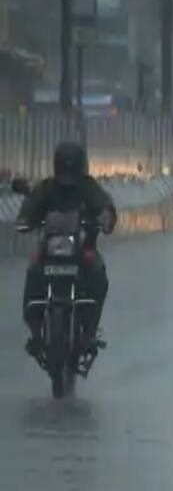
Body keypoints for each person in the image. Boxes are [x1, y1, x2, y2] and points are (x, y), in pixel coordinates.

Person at [16, 142, 117, 356]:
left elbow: (103, 203)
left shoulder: (88, 187)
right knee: (33, 272)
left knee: (98, 274)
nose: (67, 174)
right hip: (49, 252)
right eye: (64, 168)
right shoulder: (47, 188)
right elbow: (32, 205)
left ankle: (89, 331)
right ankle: (35, 331)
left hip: (82, 252)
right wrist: (25, 219)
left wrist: (105, 216)